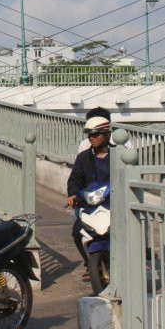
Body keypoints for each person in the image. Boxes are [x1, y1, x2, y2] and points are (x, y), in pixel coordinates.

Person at [67, 116, 113, 282]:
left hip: (112, 204)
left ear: (107, 134)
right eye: (89, 135)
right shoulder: (83, 157)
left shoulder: (117, 156)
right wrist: (73, 194)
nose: (92, 138)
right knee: (77, 231)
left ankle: (140, 256)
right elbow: (74, 179)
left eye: (96, 134)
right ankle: (89, 262)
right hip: (90, 204)